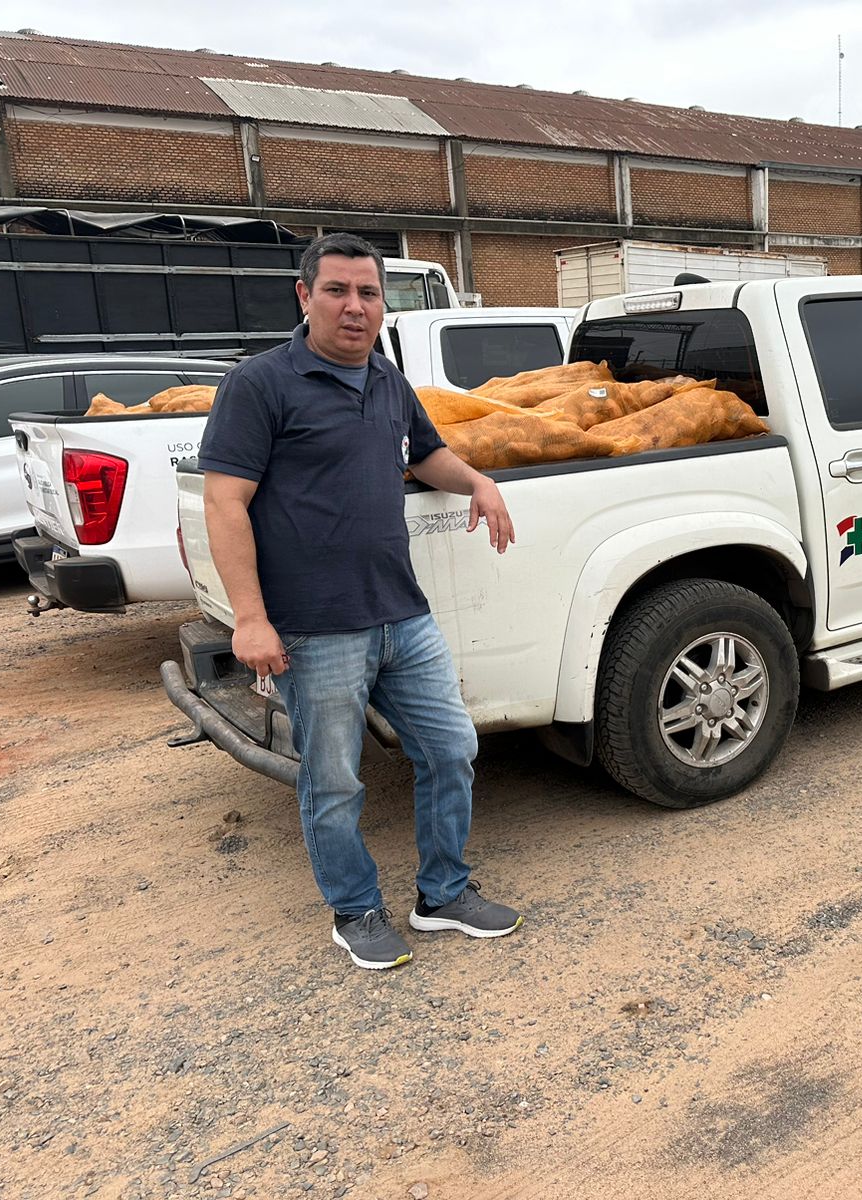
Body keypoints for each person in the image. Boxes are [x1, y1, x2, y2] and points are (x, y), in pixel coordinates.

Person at [199, 232, 521, 970]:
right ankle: (356, 909)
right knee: (335, 779)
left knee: (450, 749)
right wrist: (250, 618)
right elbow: (225, 504)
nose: (354, 307)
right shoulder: (260, 384)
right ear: (304, 295)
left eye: (368, 293)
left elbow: (424, 452)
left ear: (383, 303)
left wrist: (478, 481)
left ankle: (442, 896)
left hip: (401, 615)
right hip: (315, 628)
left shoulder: (386, 379)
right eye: (338, 291)